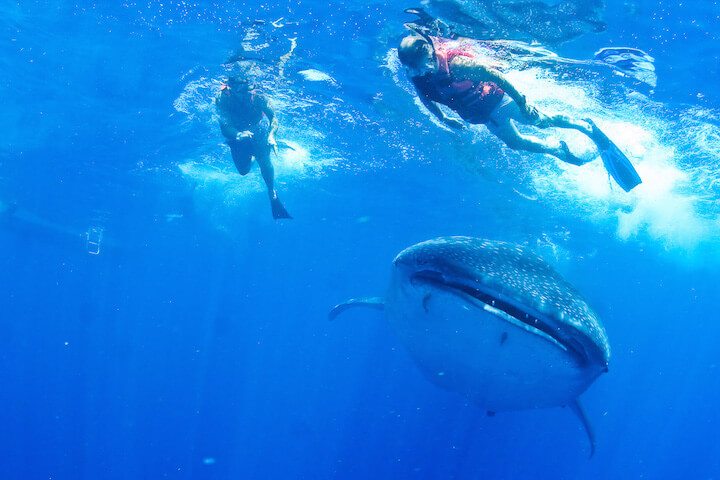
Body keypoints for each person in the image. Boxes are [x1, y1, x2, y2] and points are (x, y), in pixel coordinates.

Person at [397, 32, 641, 191]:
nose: (419, 74)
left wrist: (522, 101)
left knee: (540, 122)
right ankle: (557, 149)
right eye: (413, 70)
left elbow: (495, 75)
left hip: (499, 101)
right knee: (515, 143)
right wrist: (443, 118)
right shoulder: (420, 75)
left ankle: (583, 125)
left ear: (429, 55)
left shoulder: (457, 65)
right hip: (484, 115)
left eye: (421, 67)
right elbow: (426, 97)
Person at [216, 75, 292, 218]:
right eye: (240, 92)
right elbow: (225, 127)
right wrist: (238, 135)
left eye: (247, 91)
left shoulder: (259, 97)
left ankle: (272, 193)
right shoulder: (222, 99)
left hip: (258, 130)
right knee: (243, 171)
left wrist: (271, 136)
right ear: (230, 89)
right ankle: (253, 157)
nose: (244, 95)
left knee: (264, 160)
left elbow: (273, 117)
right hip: (238, 135)